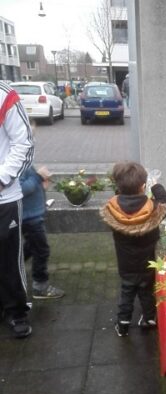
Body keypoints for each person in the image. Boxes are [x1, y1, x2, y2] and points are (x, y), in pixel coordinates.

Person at [100, 161, 166, 337]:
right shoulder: (153, 208)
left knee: (127, 291)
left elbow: (119, 199)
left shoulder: (112, 208)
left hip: (125, 263)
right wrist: (156, 186)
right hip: (147, 262)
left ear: (118, 186)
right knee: (146, 290)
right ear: (142, 186)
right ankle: (149, 319)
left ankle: (123, 324)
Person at [0, 80, 34, 338]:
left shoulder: (4, 95)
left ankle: (16, 312)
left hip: (4, 199)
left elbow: (24, 144)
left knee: (9, 259)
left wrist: (2, 179)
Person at [20, 163, 65, 299]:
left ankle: (10, 270)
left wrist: (41, 186)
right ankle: (40, 287)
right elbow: (20, 189)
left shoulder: (22, 159)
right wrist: (38, 176)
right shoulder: (14, 161)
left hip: (32, 215)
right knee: (41, 251)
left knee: (31, 247)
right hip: (29, 218)